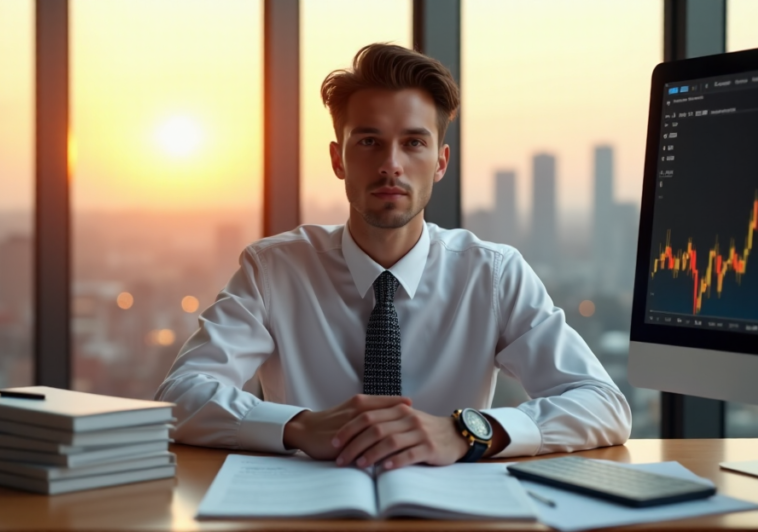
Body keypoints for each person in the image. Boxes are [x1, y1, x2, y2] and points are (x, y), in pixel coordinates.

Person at [155, 43, 631, 471]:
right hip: (309, 512)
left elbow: (603, 404)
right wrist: (298, 426)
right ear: (338, 159)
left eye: (413, 142)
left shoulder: (492, 274)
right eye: (368, 142)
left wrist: (466, 431)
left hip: (451, 515)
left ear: (440, 162)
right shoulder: (273, 270)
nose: (391, 164)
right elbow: (180, 396)